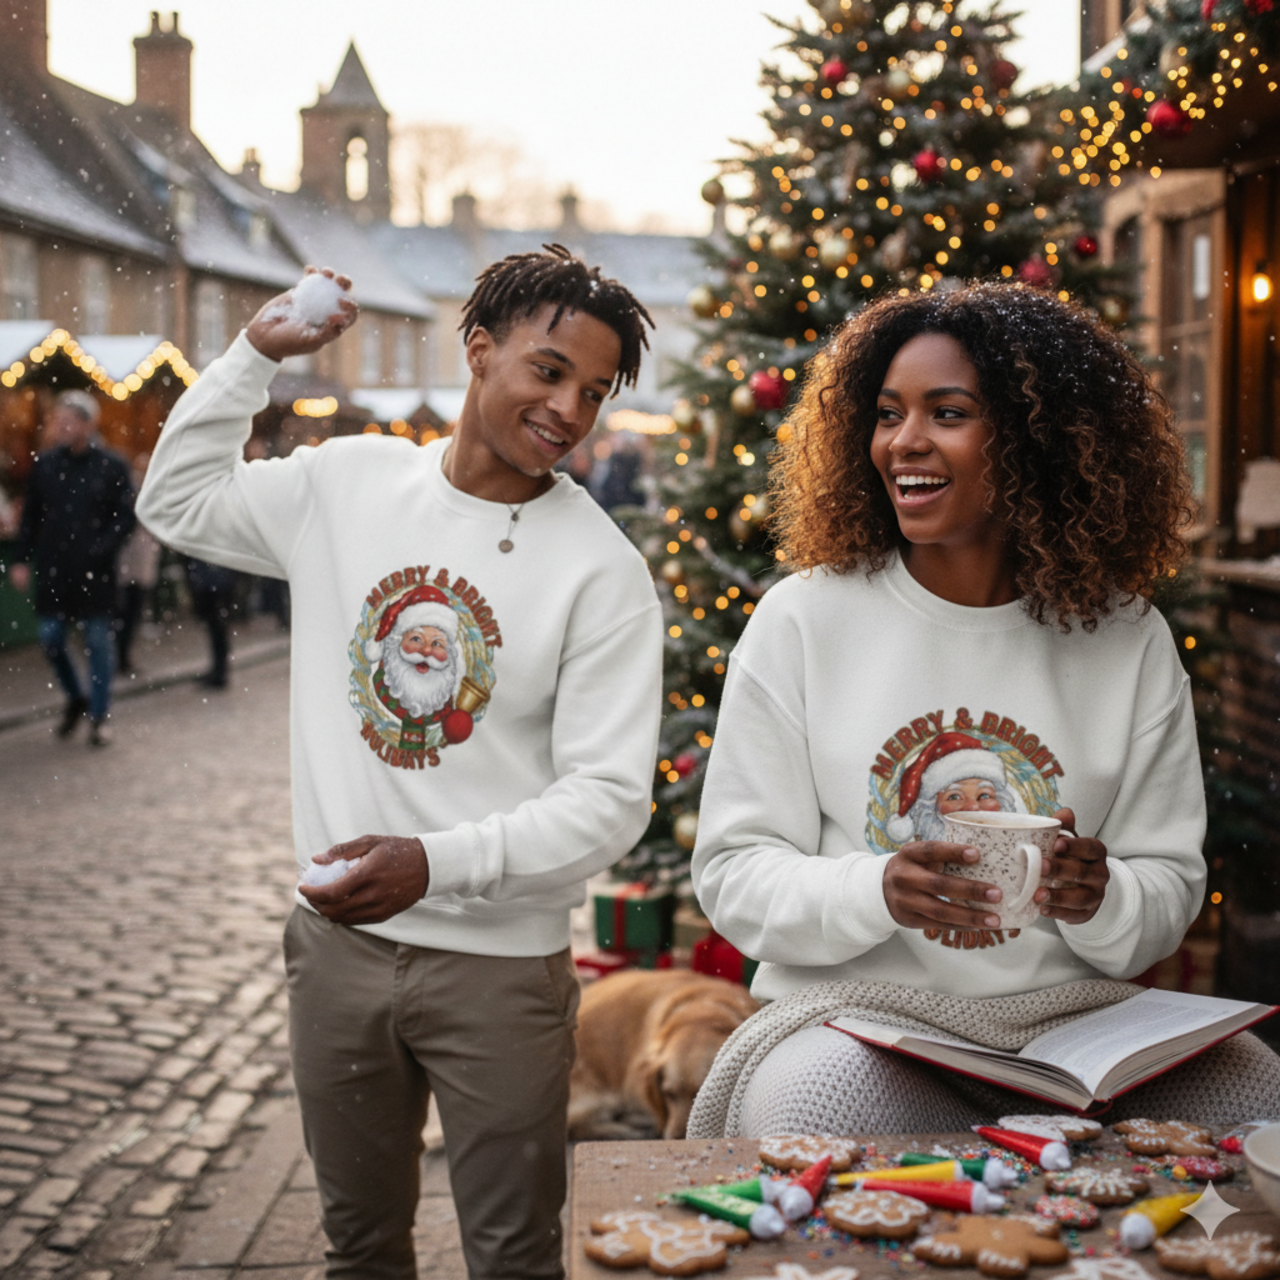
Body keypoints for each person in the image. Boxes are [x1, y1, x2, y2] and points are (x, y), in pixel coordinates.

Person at [138, 250, 663, 1280]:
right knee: (360, 1245)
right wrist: (252, 354)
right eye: (548, 371)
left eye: (592, 392)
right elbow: (179, 502)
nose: (568, 409)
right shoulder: (349, 481)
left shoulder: (600, 569)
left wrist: (435, 861)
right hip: (337, 949)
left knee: (512, 1258)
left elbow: (607, 801)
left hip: (500, 970)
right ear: (478, 349)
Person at [687, 283, 1280, 1139]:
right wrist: (877, 887)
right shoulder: (805, 619)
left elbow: (1171, 886)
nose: (904, 443)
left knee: (1255, 1092)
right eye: (888, 414)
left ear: (1039, 441)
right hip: (862, 1021)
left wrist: (1100, 896)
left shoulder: (1126, 638)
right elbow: (734, 873)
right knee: (816, 1104)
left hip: (1072, 1026)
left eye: (948, 412)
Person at [10, 389, 135, 746]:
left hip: (95, 574)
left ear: (87, 424)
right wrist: (21, 558)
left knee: (98, 643)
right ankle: (76, 696)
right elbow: (31, 516)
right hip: (54, 570)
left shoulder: (112, 465)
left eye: (68, 420)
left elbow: (125, 517)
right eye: (58, 420)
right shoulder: (46, 464)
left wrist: (101, 549)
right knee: (51, 638)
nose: (61, 427)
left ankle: (99, 715)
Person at [116, 452, 163, 675]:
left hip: (140, 559)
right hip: (128, 559)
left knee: (132, 610)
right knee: (125, 611)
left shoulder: (151, 489)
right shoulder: (128, 489)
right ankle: (121, 656)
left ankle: (123, 656)